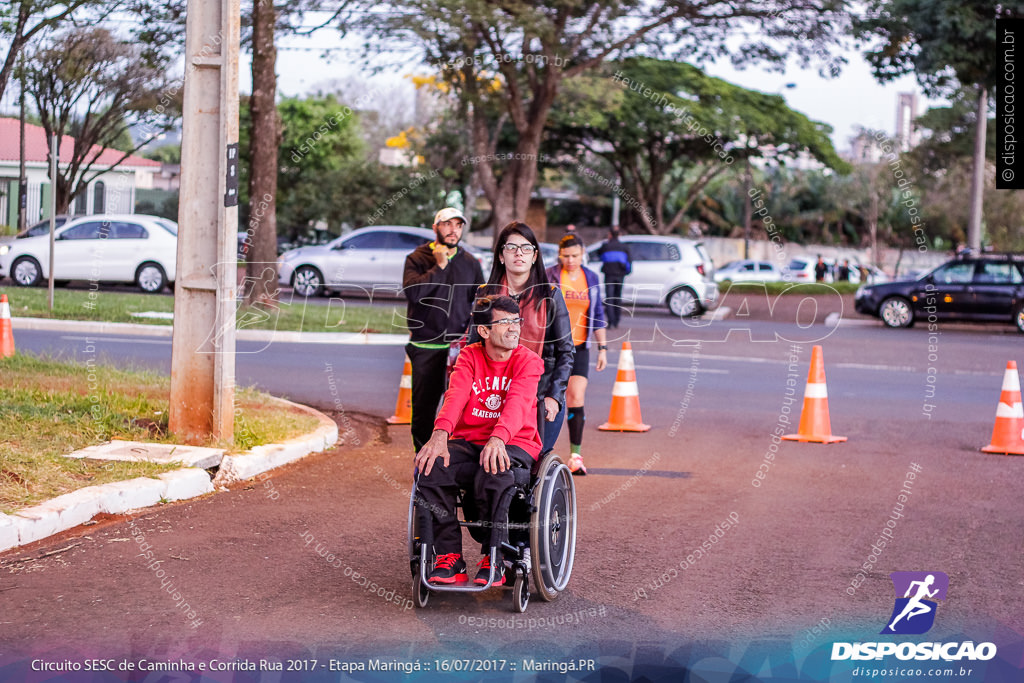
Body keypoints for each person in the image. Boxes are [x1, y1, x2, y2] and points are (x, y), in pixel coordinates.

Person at [414, 295, 544, 586]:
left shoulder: (529, 361)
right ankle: (449, 557)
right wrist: (439, 435)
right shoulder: (469, 356)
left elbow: (518, 403)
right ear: (484, 331)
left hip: (516, 442)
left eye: (516, 321)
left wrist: (498, 437)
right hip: (471, 441)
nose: (514, 329)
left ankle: (495, 554)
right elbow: (456, 395)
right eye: (505, 322)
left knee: (494, 466)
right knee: (430, 466)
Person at [476, 222, 574, 456]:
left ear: (534, 256)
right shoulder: (485, 295)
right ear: (501, 255)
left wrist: (554, 396)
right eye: (511, 247)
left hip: (539, 397)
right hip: (492, 395)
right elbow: (474, 348)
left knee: (528, 464)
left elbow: (566, 352)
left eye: (526, 248)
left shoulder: (550, 296)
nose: (518, 253)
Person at [402, 207, 485, 451]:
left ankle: (453, 462)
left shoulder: (470, 262)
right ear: (435, 227)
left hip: (460, 350)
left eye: (458, 225)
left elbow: (479, 300)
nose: (453, 230)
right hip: (426, 345)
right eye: (447, 224)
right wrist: (439, 266)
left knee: (460, 410)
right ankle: (422, 463)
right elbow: (414, 293)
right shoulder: (417, 258)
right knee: (424, 411)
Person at [546, 234, 608, 475]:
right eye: (566, 256)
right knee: (547, 398)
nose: (570, 260)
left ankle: (575, 455)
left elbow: (598, 314)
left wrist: (602, 347)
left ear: (583, 254)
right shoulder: (550, 275)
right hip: (552, 348)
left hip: (580, 347)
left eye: (575, 256)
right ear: (560, 255)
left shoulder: (590, 277)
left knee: (576, 397)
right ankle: (538, 451)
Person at [597, 227, 631, 329]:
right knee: (618, 297)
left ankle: (610, 321)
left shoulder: (606, 246)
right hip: (620, 275)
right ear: (619, 234)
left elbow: (599, 255)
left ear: (610, 234)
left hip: (609, 275)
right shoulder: (624, 247)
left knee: (610, 298)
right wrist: (626, 272)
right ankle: (616, 320)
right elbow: (629, 262)